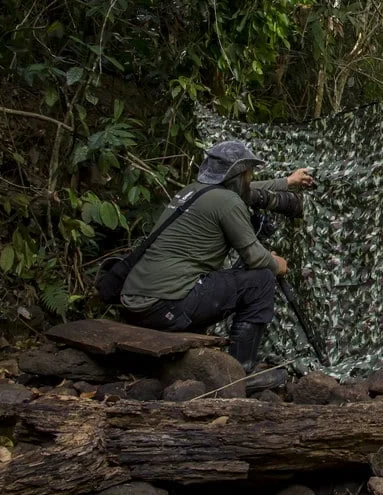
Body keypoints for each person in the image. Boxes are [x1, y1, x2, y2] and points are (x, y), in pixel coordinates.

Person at [120, 140, 314, 387]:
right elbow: (255, 257)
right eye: (248, 172)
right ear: (239, 174)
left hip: (135, 304)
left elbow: (246, 189)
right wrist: (277, 263)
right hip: (165, 307)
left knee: (232, 278)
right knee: (261, 280)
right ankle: (241, 374)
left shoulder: (192, 191)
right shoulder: (228, 203)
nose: (250, 177)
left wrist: (286, 183)